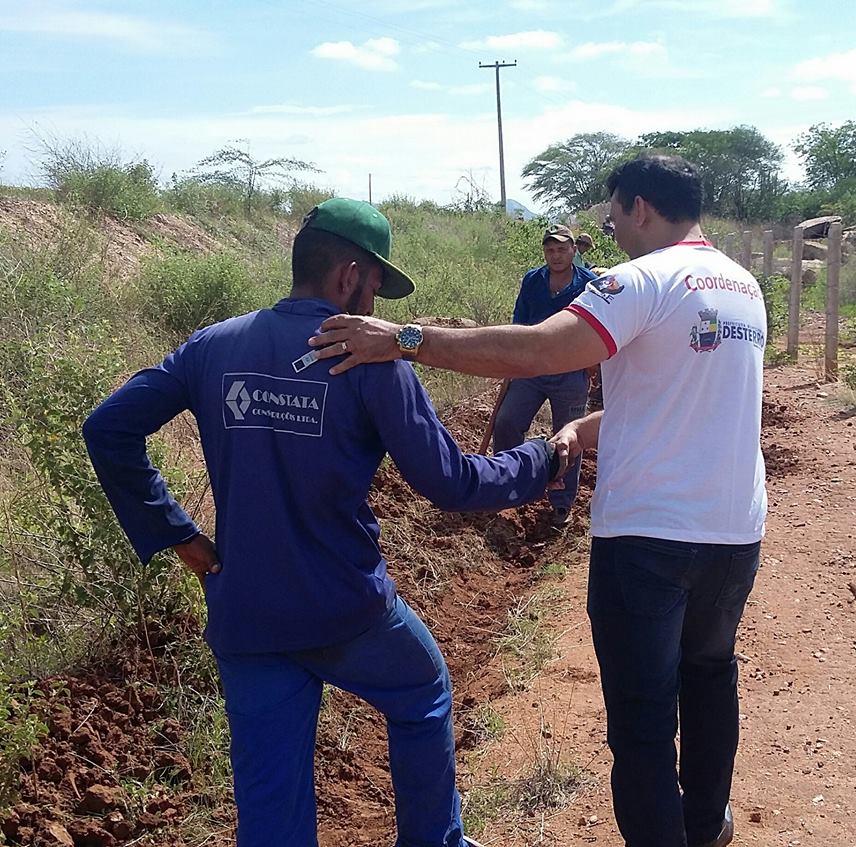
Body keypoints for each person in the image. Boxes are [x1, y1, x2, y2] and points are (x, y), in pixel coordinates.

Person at [306, 155, 767, 847]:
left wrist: (405, 339)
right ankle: (705, 824)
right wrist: (587, 427)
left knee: (643, 719)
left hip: (649, 539)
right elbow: (693, 405)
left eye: (614, 211)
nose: (609, 226)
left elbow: (542, 350)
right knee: (708, 675)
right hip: (734, 532)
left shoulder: (637, 279)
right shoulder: (741, 284)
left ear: (639, 206)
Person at [83, 197, 563, 847]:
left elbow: (107, 428)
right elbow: (452, 483)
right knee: (422, 688)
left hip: (247, 612)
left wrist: (176, 533)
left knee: (270, 805)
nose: (374, 307)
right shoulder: (370, 362)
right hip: (346, 609)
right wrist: (542, 459)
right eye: (375, 287)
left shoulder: (213, 346)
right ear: (348, 277)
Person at [493, 223, 597, 528]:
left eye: (562, 249)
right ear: (544, 252)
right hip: (531, 369)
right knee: (507, 421)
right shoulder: (533, 280)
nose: (556, 255)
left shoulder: (589, 284)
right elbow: (519, 322)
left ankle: (561, 506)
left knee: (569, 437)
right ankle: (507, 487)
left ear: (574, 251)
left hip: (571, 372)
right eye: (550, 250)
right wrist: (512, 358)